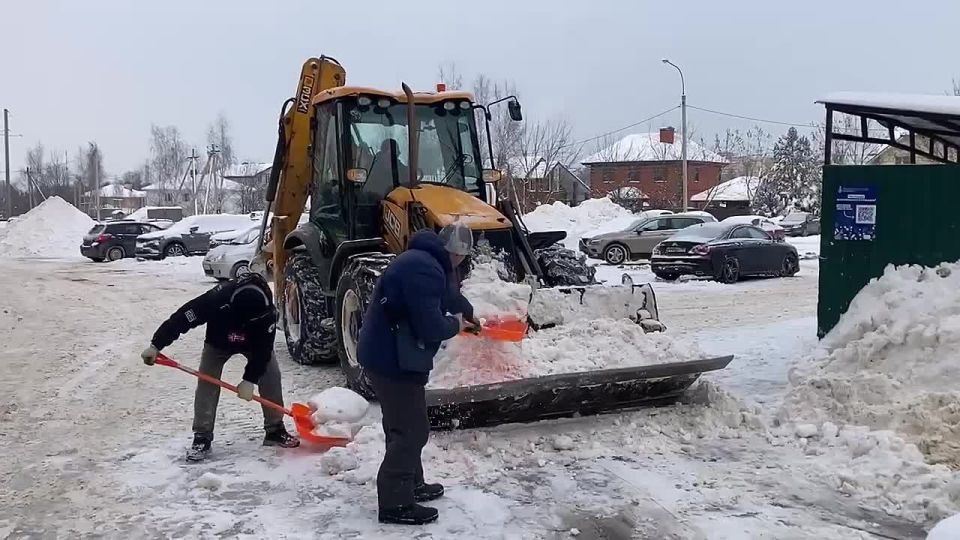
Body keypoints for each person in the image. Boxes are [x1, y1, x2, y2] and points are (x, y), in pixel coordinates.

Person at [358, 222, 479, 525]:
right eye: (462, 259)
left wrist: (468, 311)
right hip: (392, 361)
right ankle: (395, 504)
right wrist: (458, 326)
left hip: (390, 355)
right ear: (457, 254)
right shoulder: (425, 269)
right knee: (411, 430)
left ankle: (412, 484)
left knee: (404, 424)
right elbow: (431, 326)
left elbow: (447, 296)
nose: (460, 264)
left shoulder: (425, 259)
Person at [140, 272, 299, 462]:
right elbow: (182, 318)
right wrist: (156, 344)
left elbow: (263, 352)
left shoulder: (267, 313)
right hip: (218, 342)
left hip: (254, 345)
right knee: (207, 382)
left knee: (271, 375)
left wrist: (249, 380)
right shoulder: (216, 299)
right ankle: (202, 437)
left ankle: (275, 430)